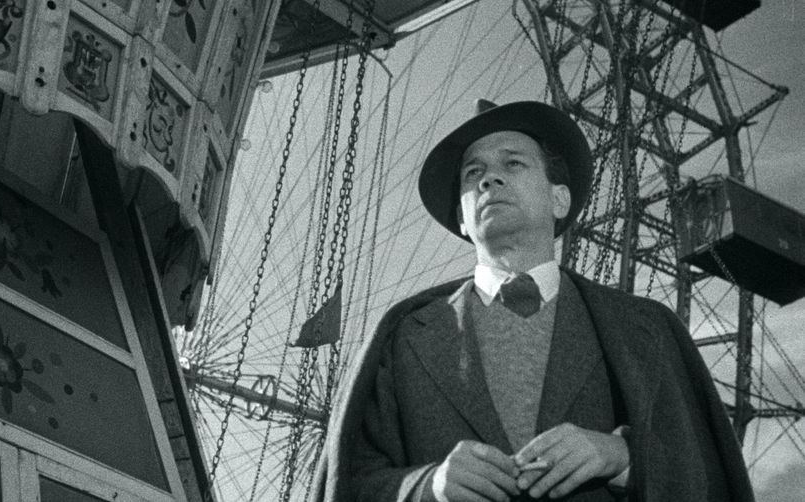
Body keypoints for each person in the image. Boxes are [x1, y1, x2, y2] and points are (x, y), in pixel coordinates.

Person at [311, 101, 754, 501]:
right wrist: (428, 486)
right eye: (472, 173)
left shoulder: (646, 328)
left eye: (514, 163)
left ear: (559, 198)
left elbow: (710, 476)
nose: (489, 178)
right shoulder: (402, 337)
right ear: (462, 219)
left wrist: (620, 456)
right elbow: (349, 484)